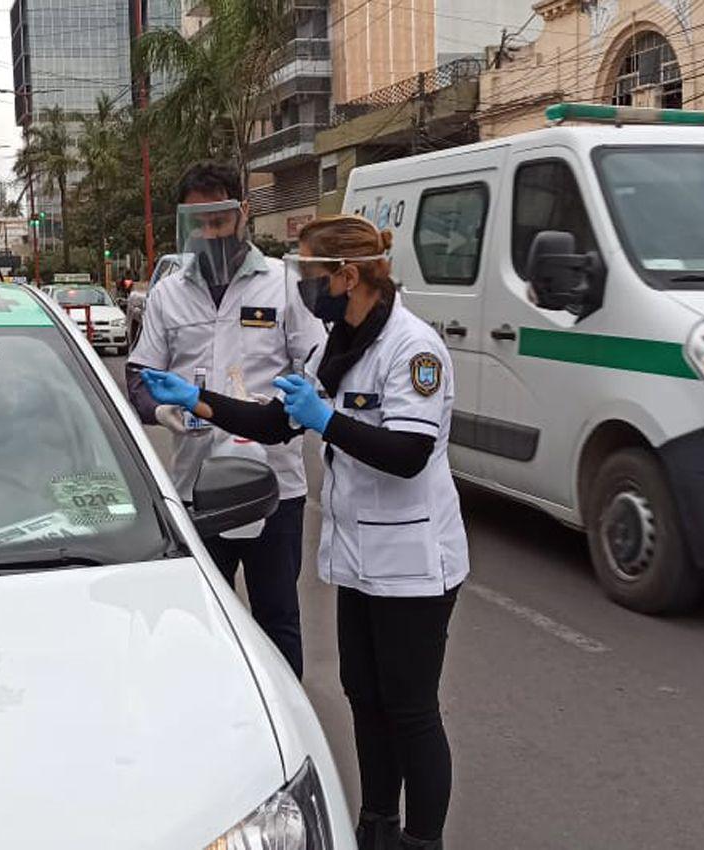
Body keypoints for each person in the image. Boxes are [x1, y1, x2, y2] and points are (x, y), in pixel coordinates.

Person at [141, 214, 467, 850]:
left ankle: (423, 840)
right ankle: (379, 825)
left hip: (413, 562)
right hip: (360, 557)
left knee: (411, 709)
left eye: (311, 274)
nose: (303, 286)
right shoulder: (335, 344)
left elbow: (408, 454)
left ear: (347, 275)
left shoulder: (413, 348)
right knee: (364, 698)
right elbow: (273, 424)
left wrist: (327, 421)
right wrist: (198, 396)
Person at [125, 161, 324, 678]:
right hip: (195, 484)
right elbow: (140, 374)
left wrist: (287, 414)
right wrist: (161, 409)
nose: (210, 233)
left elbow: (318, 372)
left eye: (219, 219)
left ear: (243, 214)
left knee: (277, 615)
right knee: (202, 616)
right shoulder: (168, 293)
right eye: (199, 222)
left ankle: (285, 724)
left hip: (274, 484)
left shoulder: (285, 284)